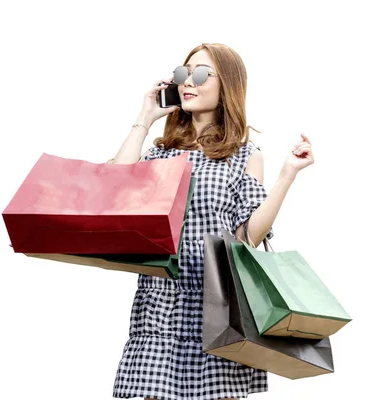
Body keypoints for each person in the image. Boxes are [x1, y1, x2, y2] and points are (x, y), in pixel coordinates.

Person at [110, 43, 314, 400]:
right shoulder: (161, 150)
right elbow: (113, 188)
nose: (188, 81)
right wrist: (145, 118)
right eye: (183, 73)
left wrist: (287, 175)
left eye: (201, 74)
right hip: (160, 304)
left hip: (217, 306)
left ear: (227, 86)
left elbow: (247, 235)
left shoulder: (245, 154)